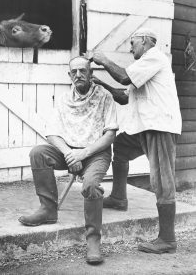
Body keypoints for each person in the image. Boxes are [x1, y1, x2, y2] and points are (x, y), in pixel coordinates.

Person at [18, 56, 119, 264]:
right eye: (74, 72)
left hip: (95, 153)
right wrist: (68, 153)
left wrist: (83, 153)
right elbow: (52, 134)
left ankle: (93, 240)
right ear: (69, 75)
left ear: (91, 74)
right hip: (70, 151)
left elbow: (110, 135)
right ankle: (48, 210)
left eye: (83, 71)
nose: (79, 75)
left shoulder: (105, 97)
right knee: (39, 153)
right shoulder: (64, 98)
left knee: (90, 185)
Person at [92, 27, 182, 254]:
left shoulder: (154, 58)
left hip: (160, 126)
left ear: (144, 41)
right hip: (144, 127)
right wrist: (99, 83)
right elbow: (124, 97)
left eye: (133, 42)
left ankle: (167, 239)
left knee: (162, 180)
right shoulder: (143, 67)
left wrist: (103, 60)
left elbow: (124, 76)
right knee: (120, 147)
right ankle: (119, 198)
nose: (130, 47)